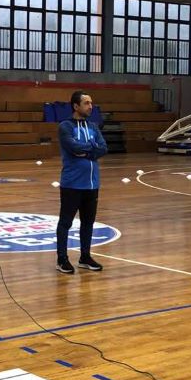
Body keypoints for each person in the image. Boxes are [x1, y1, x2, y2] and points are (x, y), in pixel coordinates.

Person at [56, 91, 108, 273]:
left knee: (88, 222)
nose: (90, 106)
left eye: (91, 103)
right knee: (65, 223)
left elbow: (103, 148)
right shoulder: (65, 126)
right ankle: (62, 259)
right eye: (86, 103)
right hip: (72, 184)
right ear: (75, 106)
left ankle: (85, 257)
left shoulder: (93, 126)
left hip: (92, 184)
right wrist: (92, 148)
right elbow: (72, 147)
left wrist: (86, 151)